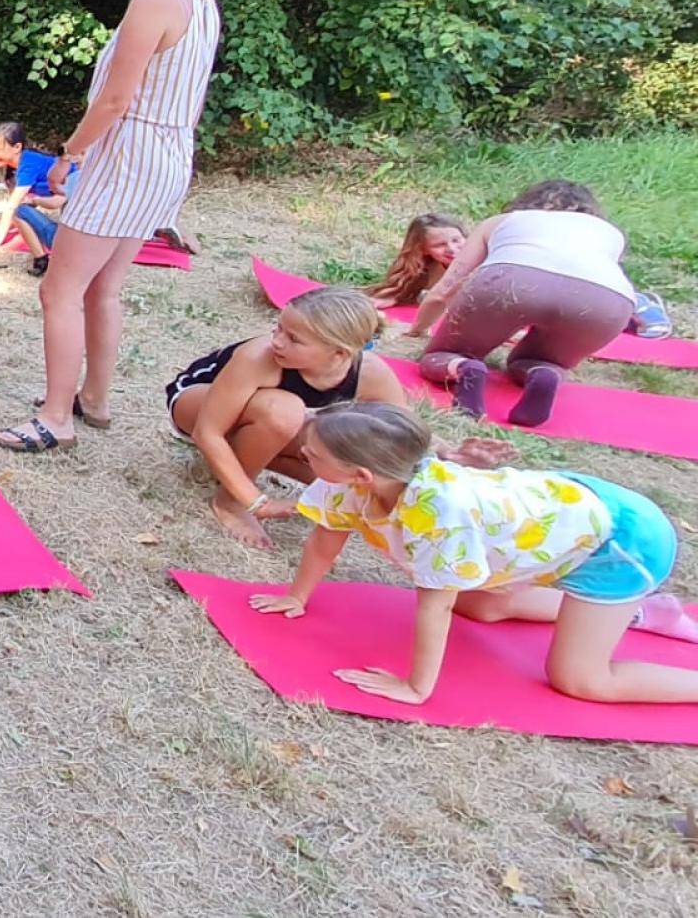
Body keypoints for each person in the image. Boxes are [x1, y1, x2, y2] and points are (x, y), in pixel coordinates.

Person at [249, 400, 698, 706]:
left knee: (580, 680)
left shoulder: (442, 515)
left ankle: (625, 608)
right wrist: (297, 596)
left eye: (312, 455)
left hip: (621, 543)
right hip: (566, 518)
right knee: (480, 605)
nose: (302, 457)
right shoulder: (355, 482)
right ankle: (643, 614)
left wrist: (416, 687)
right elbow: (326, 538)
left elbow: (435, 606)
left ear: (362, 473)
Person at [0, 0, 218, 454]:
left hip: (128, 158)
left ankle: (55, 417)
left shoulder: (154, 0)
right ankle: (91, 400)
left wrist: (71, 156)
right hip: (167, 157)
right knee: (105, 287)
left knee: (60, 289)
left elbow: (116, 100)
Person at [165, 287, 405, 548]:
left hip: (267, 421)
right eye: (278, 328)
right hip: (197, 406)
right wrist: (255, 500)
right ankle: (229, 501)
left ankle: (247, 461)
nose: (277, 341)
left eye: (294, 339)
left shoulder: (369, 372)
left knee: (338, 460)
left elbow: (401, 435)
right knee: (284, 411)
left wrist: (441, 457)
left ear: (339, 353)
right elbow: (208, 432)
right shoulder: (259, 356)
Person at [405, 180, 637, 428]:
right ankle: (544, 372)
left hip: (512, 280)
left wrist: (417, 328)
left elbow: (447, 287)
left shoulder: (504, 221)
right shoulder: (610, 233)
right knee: (547, 360)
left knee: (443, 354)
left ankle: (464, 366)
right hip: (607, 299)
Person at [0, 121, 74, 274]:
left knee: (17, 211)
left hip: (71, 236)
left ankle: (41, 259)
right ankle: (42, 257)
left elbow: (13, 206)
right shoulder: (21, 164)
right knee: (19, 210)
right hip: (72, 227)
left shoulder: (28, 165)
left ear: (17, 147)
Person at [367, 212, 468, 308]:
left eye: (456, 240)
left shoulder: (481, 262)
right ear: (423, 249)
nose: (451, 249)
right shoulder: (425, 269)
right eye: (439, 245)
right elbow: (405, 290)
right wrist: (395, 298)